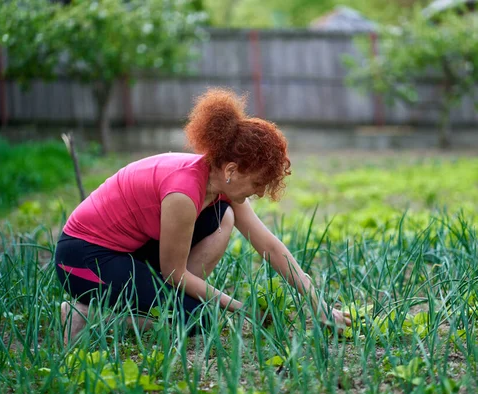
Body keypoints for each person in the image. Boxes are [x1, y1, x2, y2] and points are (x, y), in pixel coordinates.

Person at [55, 88, 351, 344]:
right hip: (83, 258)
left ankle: (164, 300)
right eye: (258, 183)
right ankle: (85, 315)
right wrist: (240, 308)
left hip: (128, 252)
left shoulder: (219, 184)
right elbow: (175, 271)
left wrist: (319, 305)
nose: (260, 193)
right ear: (232, 170)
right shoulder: (184, 194)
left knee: (223, 217)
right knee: (198, 320)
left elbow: (270, 247)